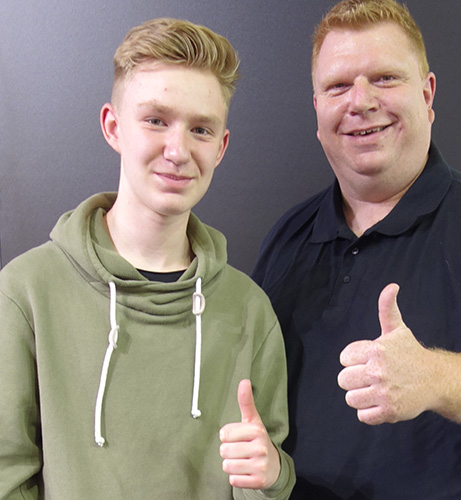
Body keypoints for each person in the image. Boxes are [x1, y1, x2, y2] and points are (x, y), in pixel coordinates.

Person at [0, 18, 295, 500]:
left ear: (221, 148)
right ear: (113, 127)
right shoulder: (27, 292)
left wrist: (271, 475)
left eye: (200, 129)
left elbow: (264, 480)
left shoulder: (250, 311)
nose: (178, 151)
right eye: (156, 120)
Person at [252, 0, 461, 498]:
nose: (361, 101)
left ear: (427, 95)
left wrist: (433, 378)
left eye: (385, 78)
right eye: (338, 86)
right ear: (318, 109)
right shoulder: (287, 238)